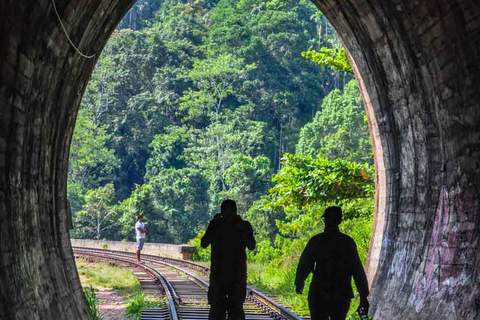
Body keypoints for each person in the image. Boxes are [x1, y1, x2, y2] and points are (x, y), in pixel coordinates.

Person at [295, 206, 369, 320]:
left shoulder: (316, 240)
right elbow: (357, 269)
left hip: (319, 292)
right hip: (341, 293)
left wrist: (299, 282)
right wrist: (363, 295)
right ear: (340, 221)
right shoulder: (347, 242)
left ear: (324, 220)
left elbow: (305, 263)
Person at [201, 199, 256, 320]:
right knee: (236, 308)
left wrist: (215, 223)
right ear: (236, 211)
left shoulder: (215, 224)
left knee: (216, 309)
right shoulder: (244, 225)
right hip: (237, 274)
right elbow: (252, 246)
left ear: (221, 211)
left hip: (218, 274)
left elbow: (203, 243)